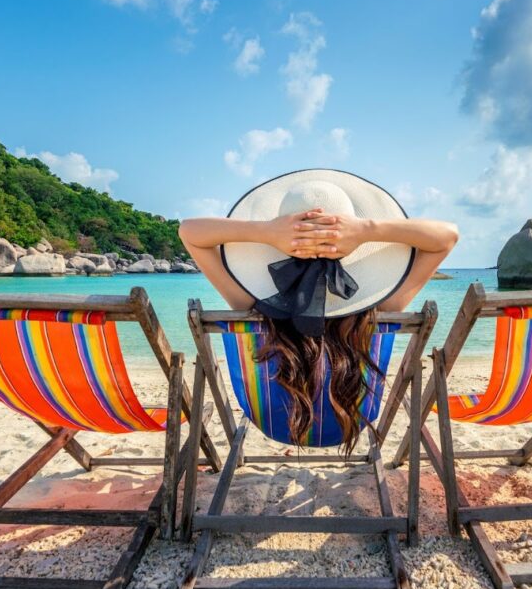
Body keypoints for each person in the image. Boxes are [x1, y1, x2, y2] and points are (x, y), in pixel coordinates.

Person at [179, 169, 457, 453]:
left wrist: (266, 232)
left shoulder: (248, 304)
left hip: (274, 423)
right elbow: (447, 237)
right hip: (350, 421)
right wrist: (365, 230)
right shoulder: (383, 307)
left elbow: (188, 232)